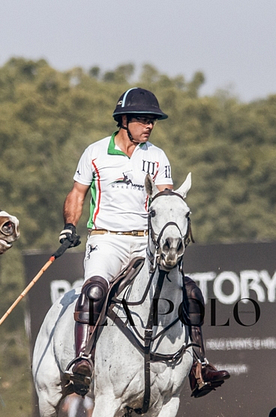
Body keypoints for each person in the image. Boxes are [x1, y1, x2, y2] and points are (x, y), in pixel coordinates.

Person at [58, 87, 229, 397]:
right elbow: (77, 194)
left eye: (153, 120)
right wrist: (70, 226)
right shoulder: (95, 153)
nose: (149, 125)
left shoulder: (157, 156)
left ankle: (199, 365)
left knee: (189, 291)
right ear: (123, 120)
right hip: (106, 240)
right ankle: (82, 358)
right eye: (142, 119)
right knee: (94, 289)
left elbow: (166, 199)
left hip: (146, 244)